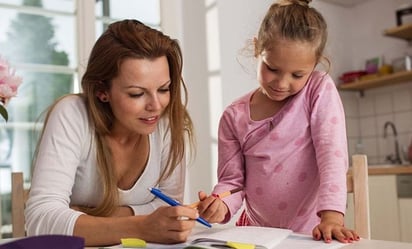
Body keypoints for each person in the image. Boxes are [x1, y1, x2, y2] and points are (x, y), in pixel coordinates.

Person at [196, 0, 360, 244]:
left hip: (312, 233)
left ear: (314, 65)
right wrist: (219, 205)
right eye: (272, 68)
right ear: (256, 49)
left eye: (297, 75)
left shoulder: (317, 89)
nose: (282, 83)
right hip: (255, 236)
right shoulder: (234, 116)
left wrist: (333, 218)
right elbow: (232, 182)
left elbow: (332, 157)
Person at [25, 19, 198, 247]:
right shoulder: (72, 115)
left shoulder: (167, 123)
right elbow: (40, 220)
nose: (156, 105)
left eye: (164, 89)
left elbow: (169, 210)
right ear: (102, 91)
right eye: (137, 94)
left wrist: (87, 217)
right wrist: (141, 226)